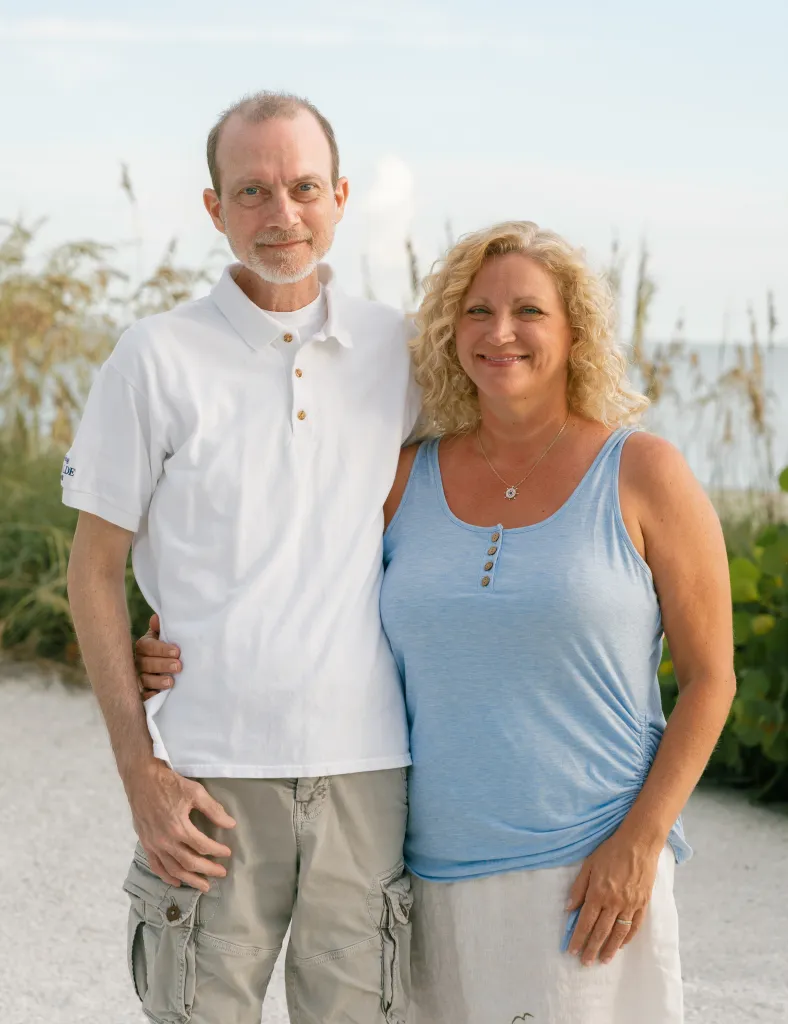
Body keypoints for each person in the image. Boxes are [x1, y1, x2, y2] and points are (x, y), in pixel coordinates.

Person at [140, 220, 736, 1023]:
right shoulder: (404, 478)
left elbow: (710, 679)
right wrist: (176, 637)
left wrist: (642, 842)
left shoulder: (643, 473)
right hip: (426, 875)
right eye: (477, 312)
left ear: (575, 332)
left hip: (591, 873)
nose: (501, 333)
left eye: (529, 311)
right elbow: (291, 583)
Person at [64, 91, 419, 1024]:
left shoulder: (403, 351)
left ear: (341, 196)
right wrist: (140, 771)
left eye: (304, 186)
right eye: (253, 190)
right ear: (215, 207)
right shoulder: (154, 357)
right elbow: (93, 567)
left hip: (368, 767)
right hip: (207, 772)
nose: (282, 214)